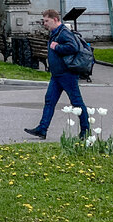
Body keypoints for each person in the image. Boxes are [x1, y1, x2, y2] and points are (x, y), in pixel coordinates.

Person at [24, 8, 90, 139]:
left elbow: (73, 47)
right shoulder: (56, 33)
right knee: (49, 100)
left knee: (76, 102)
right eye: (44, 21)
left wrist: (57, 47)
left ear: (55, 19)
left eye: (46, 21)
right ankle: (42, 129)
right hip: (57, 75)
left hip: (67, 74)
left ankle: (85, 130)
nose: (45, 24)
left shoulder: (64, 33)